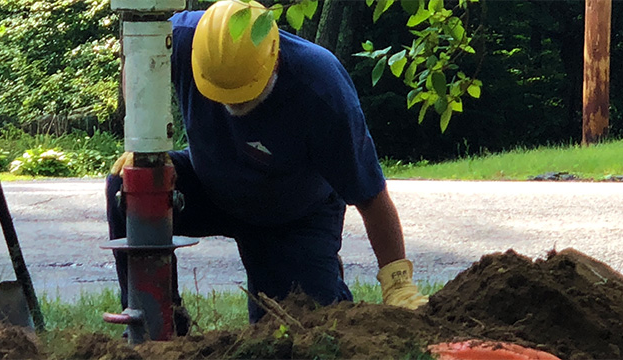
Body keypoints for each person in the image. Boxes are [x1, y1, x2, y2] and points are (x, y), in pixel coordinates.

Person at [106, 0, 428, 332]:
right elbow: (140, 62)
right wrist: (145, 144)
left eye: (242, 95)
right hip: (209, 183)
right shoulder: (182, 37)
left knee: (294, 332)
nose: (232, 104)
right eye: (221, 94)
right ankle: (160, 321)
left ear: (273, 59)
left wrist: (397, 283)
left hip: (291, 217)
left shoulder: (320, 87)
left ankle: (316, 275)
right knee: (129, 187)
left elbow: (370, 195)